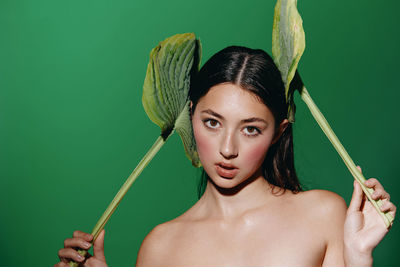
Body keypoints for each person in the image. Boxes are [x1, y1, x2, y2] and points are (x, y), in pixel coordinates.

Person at [55, 46, 396, 267]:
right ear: (190, 117)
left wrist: (357, 256)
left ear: (278, 132)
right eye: (212, 122)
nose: (227, 149)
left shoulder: (324, 214)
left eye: (251, 129)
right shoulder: (160, 247)